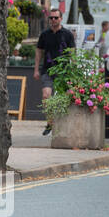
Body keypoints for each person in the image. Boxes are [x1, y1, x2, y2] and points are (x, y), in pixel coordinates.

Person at [34, 8, 75, 136]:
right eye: (51, 18)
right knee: (46, 95)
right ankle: (50, 122)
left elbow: (72, 54)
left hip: (64, 70)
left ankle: (65, 122)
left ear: (61, 19)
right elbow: (39, 51)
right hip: (48, 69)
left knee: (68, 96)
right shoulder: (44, 34)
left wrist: (73, 71)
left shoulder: (67, 34)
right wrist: (36, 69)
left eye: (56, 18)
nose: (53, 20)